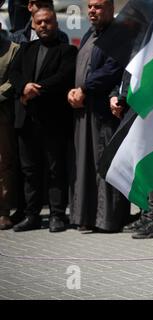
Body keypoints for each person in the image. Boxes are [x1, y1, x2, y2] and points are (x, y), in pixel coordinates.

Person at [9, 7, 77, 232]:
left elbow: (63, 77)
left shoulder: (66, 51)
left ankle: (57, 215)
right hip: (27, 120)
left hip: (53, 121)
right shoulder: (26, 49)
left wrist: (34, 90)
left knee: (55, 169)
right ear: (34, 25)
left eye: (48, 21)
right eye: (39, 23)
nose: (44, 26)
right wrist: (23, 88)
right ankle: (32, 215)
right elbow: (14, 73)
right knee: (30, 171)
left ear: (56, 23)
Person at [68, 0, 130, 232]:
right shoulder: (88, 34)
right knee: (84, 163)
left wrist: (84, 88)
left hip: (105, 111)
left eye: (99, 6)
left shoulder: (119, 35)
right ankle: (85, 215)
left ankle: (108, 219)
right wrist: (74, 92)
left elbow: (112, 69)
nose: (92, 11)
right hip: (84, 111)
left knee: (103, 161)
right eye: (90, 6)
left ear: (111, 8)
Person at [0, 24, 20, 230]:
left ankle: (3, 210)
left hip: (3, 117)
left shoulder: (12, 49)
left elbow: (13, 80)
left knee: (4, 164)